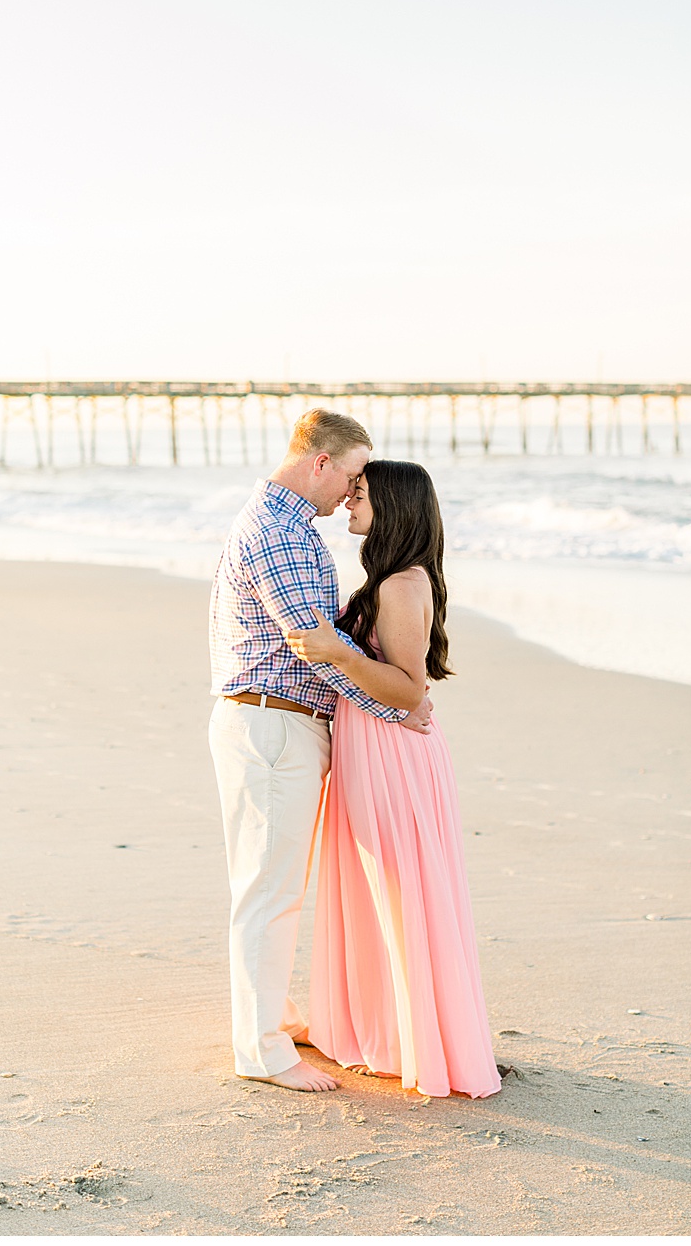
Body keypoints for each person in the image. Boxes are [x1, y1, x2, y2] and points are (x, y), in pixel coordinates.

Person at [207, 409, 432, 1093]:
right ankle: (262, 1049)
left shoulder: (284, 526)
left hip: (275, 723)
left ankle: (270, 1015)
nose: (354, 495)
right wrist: (397, 703)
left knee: (275, 883)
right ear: (322, 463)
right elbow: (316, 647)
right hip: (272, 724)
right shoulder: (278, 533)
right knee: (270, 891)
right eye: (356, 474)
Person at [285, 460, 502, 1100]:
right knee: (371, 889)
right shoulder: (388, 580)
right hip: (369, 748)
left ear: (396, 507)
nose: (349, 501)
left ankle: (415, 1041)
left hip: (392, 755)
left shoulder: (402, 585)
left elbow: (409, 692)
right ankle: (380, 1029)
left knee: (399, 890)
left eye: (361, 493)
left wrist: (337, 651)